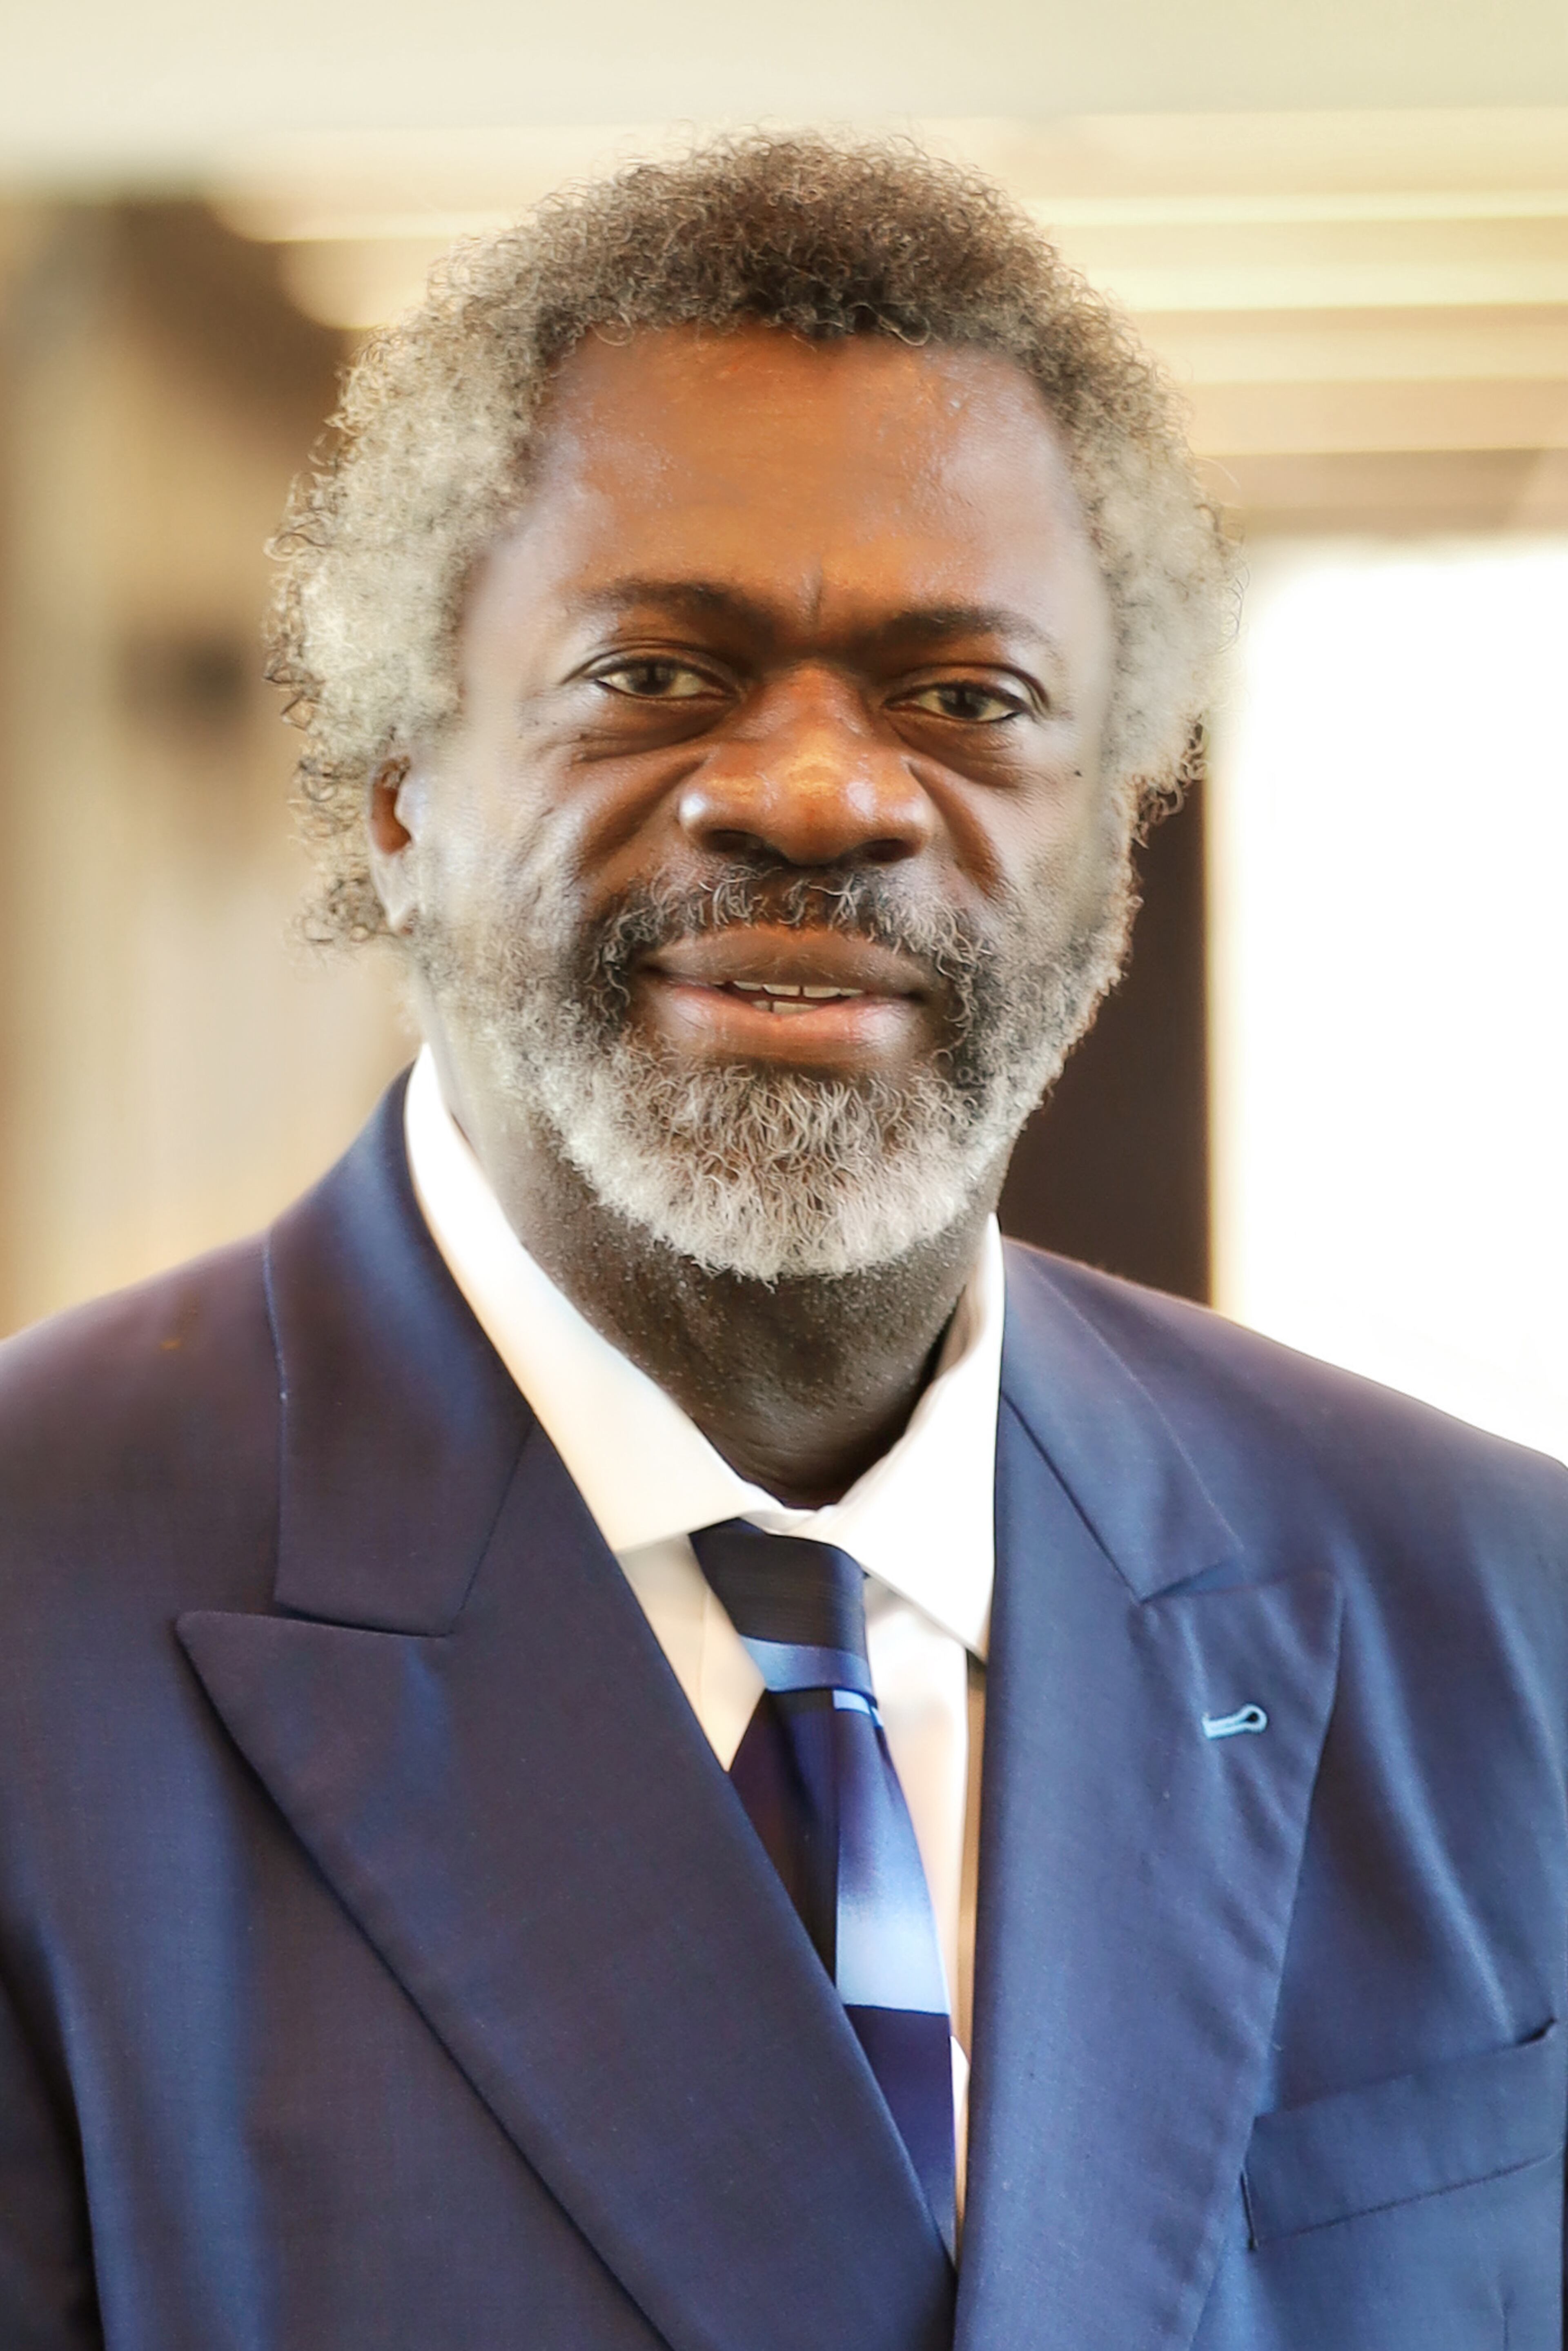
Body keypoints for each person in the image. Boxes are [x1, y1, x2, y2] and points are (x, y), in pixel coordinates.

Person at [0, 134, 1564, 2351]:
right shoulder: (33, 1611)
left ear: (1117, 824)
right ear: (397, 780)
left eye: (970, 698)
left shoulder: (1508, 1623)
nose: (821, 795)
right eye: (654, 674)